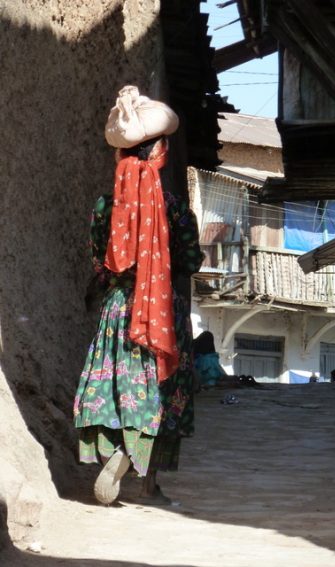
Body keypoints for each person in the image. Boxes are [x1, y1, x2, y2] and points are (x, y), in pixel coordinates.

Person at [73, 86, 203, 505]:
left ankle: (115, 450)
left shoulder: (105, 206)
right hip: (160, 309)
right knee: (162, 387)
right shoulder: (174, 207)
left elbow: (100, 258)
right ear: (160, 153)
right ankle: (149, 480)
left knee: (117, 382)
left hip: (118, 309)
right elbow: (190, 258)